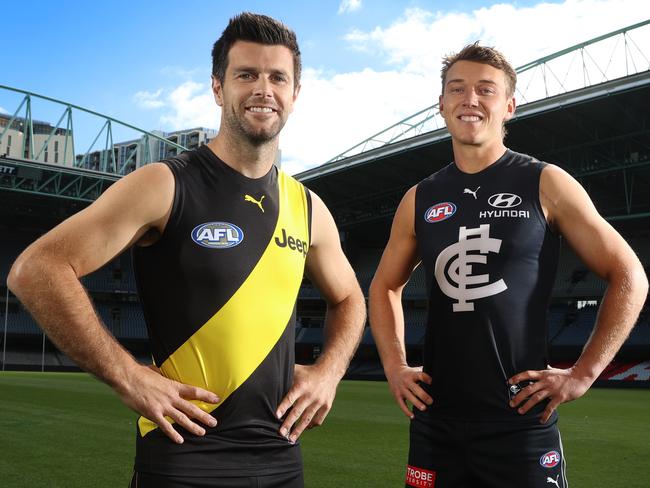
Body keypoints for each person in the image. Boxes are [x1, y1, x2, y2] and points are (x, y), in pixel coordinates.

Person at [8, 12, 365, 488]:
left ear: (294, 94)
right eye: (246, 75)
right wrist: (128, 376)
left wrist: (328, 372)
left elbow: (350, 298)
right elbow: (37, 268)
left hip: (282, 460)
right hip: (183, 459)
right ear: (218, 88)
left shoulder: (308, 206)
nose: (263, 89)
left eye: (278, 77)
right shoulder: (164, 184)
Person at [369, 42, 648, 488]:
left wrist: (583, 374)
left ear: (510, 106)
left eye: (486, 89)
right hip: (435, 423)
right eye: (457, 89)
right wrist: (396, 366)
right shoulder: (419, 198)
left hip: (520, 422)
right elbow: (384, 286)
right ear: (442, 105)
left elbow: (630, 274)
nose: (470, 99)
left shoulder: (545, 181)